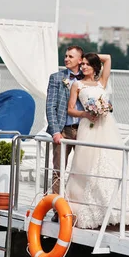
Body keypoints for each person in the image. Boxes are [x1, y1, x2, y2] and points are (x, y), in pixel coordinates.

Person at [65, 53, 129, 230]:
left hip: (106, 127)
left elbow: (108, 58)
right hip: (88, 127)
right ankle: (90, 211)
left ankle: (121, 211)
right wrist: (86, 113)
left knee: (112, 161)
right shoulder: (77, 85)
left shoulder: (101, 83)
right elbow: (70, 110)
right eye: (82, 64)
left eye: (87, 64)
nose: (83, 67)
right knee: (86, 165)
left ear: (95, 67)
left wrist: (91, 56)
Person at [45, 45, 84, 214]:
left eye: (71, 56)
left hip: (84, 130)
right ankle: (57, 210)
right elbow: (50, 106)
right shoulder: (56, 78)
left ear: (80, 60)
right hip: (64, 130)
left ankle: (78, 209)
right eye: (66, 56)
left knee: (82, 170)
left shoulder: (88, 78)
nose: (66, 59)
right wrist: (55, 131)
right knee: (58, 170)